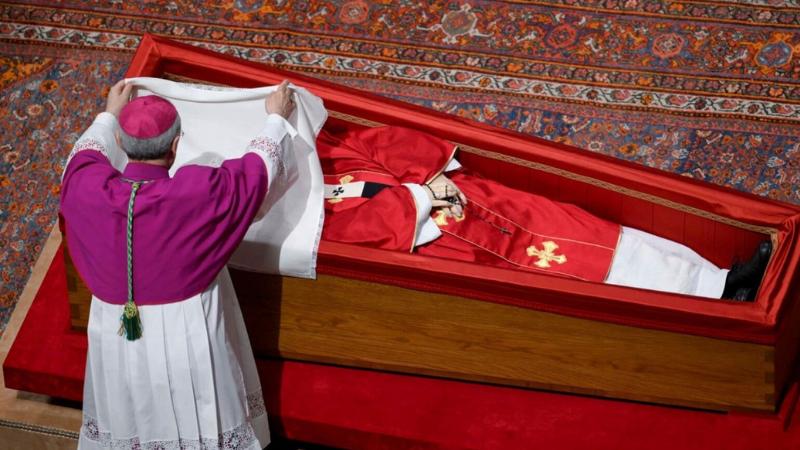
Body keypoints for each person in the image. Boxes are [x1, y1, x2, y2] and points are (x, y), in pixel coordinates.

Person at [60, 79, 296, 449]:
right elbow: (258, 173)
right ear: (175, 146)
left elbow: (80, 159)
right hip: (190, 335)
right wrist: (276, 119)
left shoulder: (87, 190)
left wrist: (108, 115)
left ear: (120, 144)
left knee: (129, 411)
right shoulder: (197, 193)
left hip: (117, 335)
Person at [318, 125, 771, 301]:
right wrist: (417, 200)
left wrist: (430, 175)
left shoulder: (311, 151)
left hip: (473, 200)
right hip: (443, 250)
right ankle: (718, 310)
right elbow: (353, 237)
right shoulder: (283, 221)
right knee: (583, 279)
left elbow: (367, 143)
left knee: (595, 235)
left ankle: (717, 280)